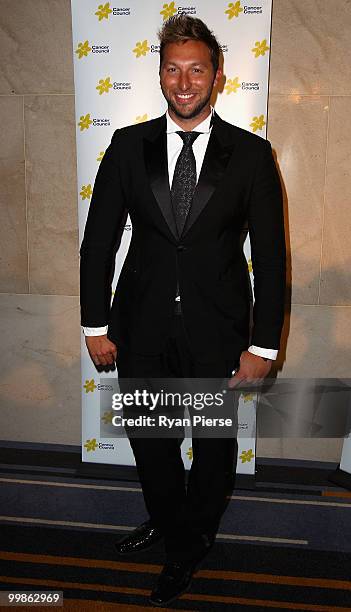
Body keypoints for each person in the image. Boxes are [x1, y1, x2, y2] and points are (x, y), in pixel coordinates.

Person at [80, 15, 286, 606]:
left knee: (213, 451)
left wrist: (263, 345)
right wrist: (95, 323)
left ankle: (186, 546)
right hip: (140, 330)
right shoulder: (127, 146)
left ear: (217, 77)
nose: (184, 81)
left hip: (218, 334)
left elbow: (270, 260)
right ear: (160, 74)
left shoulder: (249, 155)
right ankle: (171, 524)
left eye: (197, 69)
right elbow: (99, 243)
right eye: (172, 68)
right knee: (151, 444)